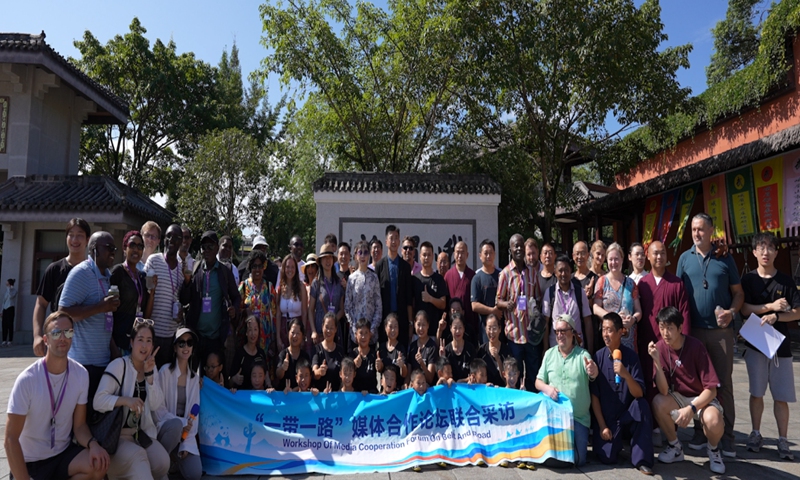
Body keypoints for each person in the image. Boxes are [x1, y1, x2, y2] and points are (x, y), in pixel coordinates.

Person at [5, 311, 109, 480]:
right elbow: (10, 438)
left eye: (68, 332)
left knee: (98, 466)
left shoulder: (80, 374)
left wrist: (93, 444)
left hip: (62, 456)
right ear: (46, 340)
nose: (63, 338)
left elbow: (80, 426)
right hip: (30, 462)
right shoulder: (27, 380)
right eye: (56, 333)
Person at [675, 213, 742, 456]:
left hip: (720, 333)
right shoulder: (684, 258)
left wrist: (732, 312)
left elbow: (738, 293)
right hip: (692, 333)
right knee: (697, 384)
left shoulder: (725, 258)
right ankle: (700, 431)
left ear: (711, 230)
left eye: (701, 229)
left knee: (723, 383)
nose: (696, 233)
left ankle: (728, 437)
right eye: (693, 229)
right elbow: (677, 292)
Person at [739, 232, 798, 460]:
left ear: (776, 251)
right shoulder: (748, 280)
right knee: (756, 393)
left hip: (780, 348)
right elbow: (744, 309)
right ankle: (755, 433)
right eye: (761, 248)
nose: (765, 252)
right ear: (754, 252)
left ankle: (783, 440)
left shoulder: (786, 281)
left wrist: (778, 318)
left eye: (770, 247)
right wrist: (770, 307)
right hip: (756, 345)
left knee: (781, 396)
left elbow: (797, 312)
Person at [648, 306, 726, 474]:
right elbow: (662, 391)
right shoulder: (660, 347)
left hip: (701, 398)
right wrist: (656, 362)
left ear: (680, 328)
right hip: (677, 396)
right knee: (658, 402)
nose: (665, 333)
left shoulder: (696, 346)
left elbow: (711, 389)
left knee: (714, 420)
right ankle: (675, 447)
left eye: (670, 328)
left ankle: (713, 450)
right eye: (662, 328)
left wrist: (691, 409)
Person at [94, 319, 171, 480]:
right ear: (131, 342)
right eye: (140, 340)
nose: (144, 346)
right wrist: (125, 400)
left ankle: (133, 472)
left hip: (138, 435)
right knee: (139, 457)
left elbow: (156, 404)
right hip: (114, 438)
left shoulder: (151, 367)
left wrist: (150, 376)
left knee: (163, 463)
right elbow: (98, 401)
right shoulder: (119, 365)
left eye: (149, 341)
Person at [59, 231, 120, 414]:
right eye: (108, 248)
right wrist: (100, 307)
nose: (113, 252)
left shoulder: (108, 276)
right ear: (94, 250)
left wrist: (114, 351)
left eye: (114, 249)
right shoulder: (81, 273)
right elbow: (63, 314)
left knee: (95, 416)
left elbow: (102, 321)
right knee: (78, 417)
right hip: (82, 364)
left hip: (103, 362)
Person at [590, 313, 653, 475]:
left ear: (621, 332)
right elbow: (594, 396)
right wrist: (603, 426)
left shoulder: (631, 357)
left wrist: (626, 375)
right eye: (603, 330)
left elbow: (639, 393)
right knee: (607, 457)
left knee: (642, 406)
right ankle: (618, 444)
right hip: (608, 420)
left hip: (627, 416)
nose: (605, 334)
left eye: (610, 330)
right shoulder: (598, 357)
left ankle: (642, 459)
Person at [535, 314, 598, 467]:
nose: (560, 335)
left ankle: (554, 455)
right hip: (554, 418)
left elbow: (592, 373)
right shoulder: (549, 354)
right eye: (557, 331)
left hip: (577, 418)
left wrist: (593, 370)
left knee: (578, 459)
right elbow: (538, 382)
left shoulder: (583, 355)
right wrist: (547, 388)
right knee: (563, 458)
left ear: (573, 333)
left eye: (563, 331)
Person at [637, 240, 691, 408]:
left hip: (670, 343)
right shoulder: (643, 284)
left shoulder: (676, 283)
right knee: (649, 379)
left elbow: (685, 314)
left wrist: (683, 343)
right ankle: (651, 424)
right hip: (649, 342)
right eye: (655, 253)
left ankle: (671, 424)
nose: (659, 257)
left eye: (662, 253)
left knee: (670, 382)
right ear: (648, 256)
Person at [180, 231, 241, 369]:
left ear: (217, 248)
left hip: (216, 337)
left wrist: (234, 309)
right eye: (204, 247)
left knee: (213, 376)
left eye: (210, 247)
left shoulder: (224, 271)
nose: (206, 250)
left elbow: (236, 296)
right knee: (194, 377)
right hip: (196, 335)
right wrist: (187, 282)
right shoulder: (195, 269)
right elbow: (184, 300)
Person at [33, 218, 91, 356]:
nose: (75, 240)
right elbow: (41, 304)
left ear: (87, 240)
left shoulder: (93, 271)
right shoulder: (54, 269)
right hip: (59, 338)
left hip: (86, 342)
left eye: (80, 235)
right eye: (71, 234)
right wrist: (37, 336)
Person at [496, 234, 543, 392]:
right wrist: (506, 304)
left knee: (533, 373)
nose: (518, 249)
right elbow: (498, 300)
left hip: (531, 335)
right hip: (514, 334)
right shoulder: (505, 274)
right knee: (514, 375)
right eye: (515, 246)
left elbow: (537, 296)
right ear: (510, 249)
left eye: (521, 246)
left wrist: (533, 305)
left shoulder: (532, 273)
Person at [155, 327, 202, 480]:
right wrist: (182, 422)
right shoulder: (164, 372)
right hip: (167, 429)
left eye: (189, 343)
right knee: (175, 425)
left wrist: (186, 444)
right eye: (181, 343)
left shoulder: (195, 379)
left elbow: (194, 416)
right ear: (174, 348)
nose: (186, 347)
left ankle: (174, 460)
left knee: (195, 474)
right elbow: (158, 411)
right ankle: (161, 466)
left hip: (185, 434)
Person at [144, 224, 185, 368]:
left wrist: (182, 314)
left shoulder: (182, 268)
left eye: (176, 237)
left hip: (172, 336)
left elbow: (183, 299)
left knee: (167, 379)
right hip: (153, 334)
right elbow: (144, 294)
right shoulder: (153, 261)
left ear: (181, 242)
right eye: (169, 236)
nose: (172, 240)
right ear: (164, 239)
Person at [111, 231, 155, 357]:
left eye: (140, 246)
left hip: (137, 341)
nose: (136, 249)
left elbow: (146, 316)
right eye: (132, 245)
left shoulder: (142, 277)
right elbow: (107, 313)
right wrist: (112, 346)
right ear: (125, 248)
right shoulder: (117, 272)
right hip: (119, 341)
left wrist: (152, 294)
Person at [592, 242, 642, 352]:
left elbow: (638, 311)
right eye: (610, 259)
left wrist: (633, 319)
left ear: (622, 260)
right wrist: (613, 318)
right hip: (609, 339)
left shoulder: (631, 283)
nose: (613, 262)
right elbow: (595, 308)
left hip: (629, 340)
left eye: (616, 259)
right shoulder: (602, 282)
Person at [375, 225, 415, 346]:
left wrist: (410, 322)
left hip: (401, 319)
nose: (393, 241)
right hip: (384, 319)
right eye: (391, 238)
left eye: (396, 238)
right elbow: (376, 296)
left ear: (399, 242)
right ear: (386, 242)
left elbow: (409, 297)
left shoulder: (405, 266)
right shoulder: (380, 266)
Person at [238, 250, 278, 362]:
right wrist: (246, 311)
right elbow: (237, 309)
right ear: (250, 268)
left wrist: (274, 338)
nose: (257, 269)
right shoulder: (244, 286)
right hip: (249, 336)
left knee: (264, 367)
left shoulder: (269, 287)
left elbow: (274, 315)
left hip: (266, 337)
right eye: (254, 266)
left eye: (260, 266)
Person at [345, 240, 382, 349]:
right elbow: (348, 307)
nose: (362, 256)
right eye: (359, 252)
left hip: (371, 335)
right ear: (355, 255)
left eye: (365, 252)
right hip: (355, 335)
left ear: (369, 254)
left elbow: (378, 306)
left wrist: (372, 330)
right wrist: (355, 330)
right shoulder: (351, 279)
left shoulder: (374, 278)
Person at [309, 243, 345, 350]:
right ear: (320, 261)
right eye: (324, 258)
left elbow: (342, 309)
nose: (327, 261)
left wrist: (332, 322)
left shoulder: (339, 282)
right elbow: (310, 310)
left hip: (335, 332)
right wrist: (314, 331)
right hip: (320, 333)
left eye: (330, 258)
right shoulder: (316, 283)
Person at [443, 241, 477, 341]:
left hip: (468, 322)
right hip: (452, 324)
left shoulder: (472, 275)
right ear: (453, 254)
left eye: (462, 252)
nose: (460, 255)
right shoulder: (448, 275)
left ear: (467, 255)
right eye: (457, 252)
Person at [413, 241, 448, 338]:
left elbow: (443, 304)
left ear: (433, 256)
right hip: (417, 333)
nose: (426, 258)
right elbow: (411, 304)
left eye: (429, 255)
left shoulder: (439, 279)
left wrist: (430, 299)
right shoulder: (415, 279)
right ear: (419, 256)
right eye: (424, 255)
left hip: (434, 332)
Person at [471, 239, 501, 346]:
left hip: (501, 328)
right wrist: (492, 311)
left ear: (495, 254)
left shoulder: (501, 275)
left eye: (491, 253)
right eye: (485, 253)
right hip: (485, 330)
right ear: (480, 255)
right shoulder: (476, 278)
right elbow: (474, 305)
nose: (488, 256)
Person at [278, 254, 309, 353]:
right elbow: (278, 314)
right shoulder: (280, 288)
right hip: (283, 329)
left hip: (297, 328)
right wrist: (278, 337)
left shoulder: (301, 287)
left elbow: (304, 312)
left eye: (292, 267)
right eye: (287, 267)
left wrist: (303, 334)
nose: (290, 270)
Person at [230, 316, 269, 390]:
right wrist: (234, 379)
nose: (253, 333)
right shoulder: (240, 354)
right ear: (246, 332)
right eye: (250, 330)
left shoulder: (261, 353)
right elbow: (230, 381)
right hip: (244, 398)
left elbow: (267, 377)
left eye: (255, 329)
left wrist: (269, 387)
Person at [312, 312, 345, 391]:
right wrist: (319, 372)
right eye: (326, 327)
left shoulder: (340, 350)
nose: (328, 331)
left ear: (336, 329)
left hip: (337, 396)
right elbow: (314, 372)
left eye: (331, 328)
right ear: (322, 327)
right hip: (321, 396)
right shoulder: (317, 349)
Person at [439, 313, 476, 382]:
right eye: (455, 328)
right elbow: (442, 377)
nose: (457, 331)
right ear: (450, 328)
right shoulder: (446, 350)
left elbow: (474, 375)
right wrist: (443, 358)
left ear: (464, 329)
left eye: (460, 328)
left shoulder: (470, 349)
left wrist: (460, 381)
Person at [477, 314, 511, 387]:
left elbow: (508, 379)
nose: (491, 332)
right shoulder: (481, 351)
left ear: (500, 329)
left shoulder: (507, 350)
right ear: (485, 329)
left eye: (494, 328)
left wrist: (498, 359)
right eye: (489, 328)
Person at [276, 318, 311, 389]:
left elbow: (309, 379)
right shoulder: (283, 354)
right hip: (285, 395)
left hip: (300, 396)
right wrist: (283, 368)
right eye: (292, 333)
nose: (295, 336)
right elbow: (278, 375)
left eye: (298, 333)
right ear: (288, 333)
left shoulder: (305, 356)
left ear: (302, 336)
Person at [407, 311, 438, 385]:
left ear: (428, 325)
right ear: (414, 324)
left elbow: (430, 379)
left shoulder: (432, 347)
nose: (421, 328)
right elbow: (408, 374)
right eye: (418, 325)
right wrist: (406, 384)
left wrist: (422, 363)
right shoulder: (412, 346)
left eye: (424, 325)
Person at [349, 317, 379, 393]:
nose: (363, 337)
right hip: (356, 395)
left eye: (366, 333)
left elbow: (382, 372)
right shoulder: (351, 355)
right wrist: (353, 366)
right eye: (361, 333)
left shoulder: (374, 354)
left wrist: (380, 367)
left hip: (372, 395)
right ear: (356, 335)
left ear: (370, 335)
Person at [377, 313, 407, 381]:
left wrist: (402, 366)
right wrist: (379, 366)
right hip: (384, 389)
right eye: (390, 327)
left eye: (395, 326)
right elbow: (380, 370)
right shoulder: (381, 348)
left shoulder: (401, 348)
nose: (393, 330)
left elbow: (404, 374)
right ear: (385, 328)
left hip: (398, 389)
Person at [2, 278, 17, 346]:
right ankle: (4, 339)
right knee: (4, 324)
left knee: (10, 324)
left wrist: (9, 288)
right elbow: (4, 301)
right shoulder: (6, 291)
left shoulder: (14, 290)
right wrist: (1, 310)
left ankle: (10, 340)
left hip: (10, 308)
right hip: (5, 308)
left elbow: (11, 296)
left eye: (7, 283)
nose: (6, 284)